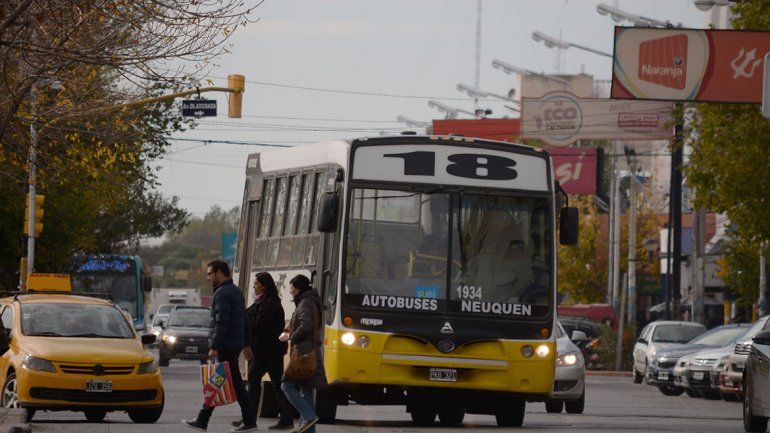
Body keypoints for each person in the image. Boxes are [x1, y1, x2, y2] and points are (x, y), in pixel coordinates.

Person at [182, 260, 257, 433]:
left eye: (210, 274)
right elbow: (244, 320)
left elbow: (222, 322)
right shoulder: (236, 291)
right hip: (233, 344)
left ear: (219, 273)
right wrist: (246, 344)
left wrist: (215, 345)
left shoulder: (222, 293)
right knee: (231, 383)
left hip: (226, 345)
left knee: (219, 383)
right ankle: (245, 420)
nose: (208, 278)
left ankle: (203, 420)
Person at [231, 272, 293, 430]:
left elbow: (259, 326)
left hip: (267, 350)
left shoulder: (270, 304)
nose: (254, 286)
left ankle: (249, 418)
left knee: (253, 378)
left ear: (264, 285)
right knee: (278, 384)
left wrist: (245, 323)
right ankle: (285, 418)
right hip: (270, 350)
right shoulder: (262, 301)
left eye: (256, 283)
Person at [280, 275, 327, 433]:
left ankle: (308, 417)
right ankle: (307, 429)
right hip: (310, 351)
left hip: (303, 353)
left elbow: (306, 326)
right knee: (306, 391)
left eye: (292, 287)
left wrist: (290, 336)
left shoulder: (305, 303)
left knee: (286, 385)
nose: (291, 291)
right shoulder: (310, 301)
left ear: (298, 288)